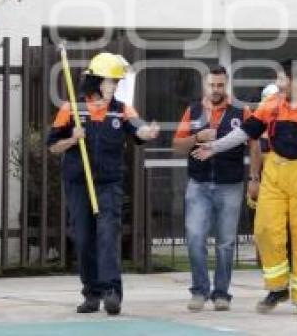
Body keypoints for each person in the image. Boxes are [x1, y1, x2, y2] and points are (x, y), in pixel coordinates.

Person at [194, 59, 297, 315]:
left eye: (282, 79)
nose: (278, 84)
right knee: (265, 229)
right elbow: (244, 133)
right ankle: (277, 288)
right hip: (274, 170)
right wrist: (215, 147)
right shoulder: (271, 105)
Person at [47, 52, 159, 316]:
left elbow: (138, 129)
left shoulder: (121, 110)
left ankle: (111, 292)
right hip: (78, 183)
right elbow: (53, 146)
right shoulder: (71, 108)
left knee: (107, 235)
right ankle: (91, 293)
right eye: (112, 81)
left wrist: (147, 132)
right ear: (97, 81)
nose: (115, 87)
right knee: (84, 238)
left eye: (117, 83)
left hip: (109, 183)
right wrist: (72, 139)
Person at [172, 66, 254, 312]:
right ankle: (199, 290)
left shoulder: (241, 112)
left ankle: (221, 294)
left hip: (231, 185)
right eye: (212, 85)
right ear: (205, 86)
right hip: (198, 185)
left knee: (226, 243)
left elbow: (255, 146)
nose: (216, 90)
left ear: (226, 85)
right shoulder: (193, 110)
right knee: (195, 237)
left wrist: (255, 177)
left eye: (220, 85)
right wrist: (198, 137)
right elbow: (177, 146)